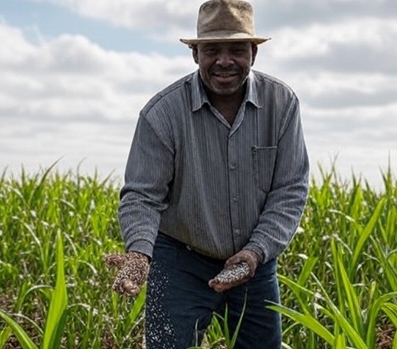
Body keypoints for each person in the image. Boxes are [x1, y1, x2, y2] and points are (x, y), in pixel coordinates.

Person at [107, 0, 309, 348]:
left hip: (255, 266)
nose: (224, 60)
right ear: (195, 54)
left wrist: (254, 254)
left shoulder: (282, 104)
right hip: (179, 262)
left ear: (254, 54)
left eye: (236, 49)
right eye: (212, 49)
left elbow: (290, 189)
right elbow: (142, 195)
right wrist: (139, 254)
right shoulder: (163, 113)